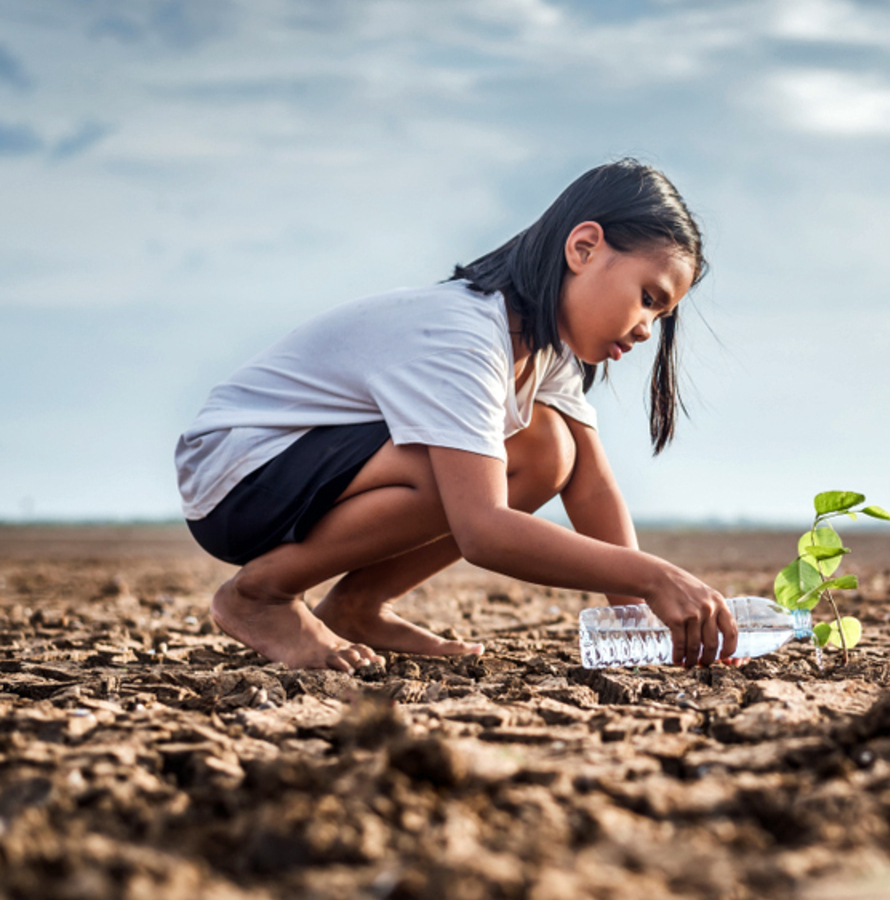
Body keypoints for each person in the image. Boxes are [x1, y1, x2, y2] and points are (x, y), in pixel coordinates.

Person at [174, 159, 737, 672]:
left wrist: (638, 624)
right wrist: (655, 576)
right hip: (240, 474)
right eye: (648, 298)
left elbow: (591, 489)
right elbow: (483, 530)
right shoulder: (466, 336)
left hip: (303, 470)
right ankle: (260, 595)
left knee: (547, 449)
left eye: (660, 316)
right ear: (583, 248)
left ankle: (357, 605)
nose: (646, 329)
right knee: (454, 464)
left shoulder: (544, 350)